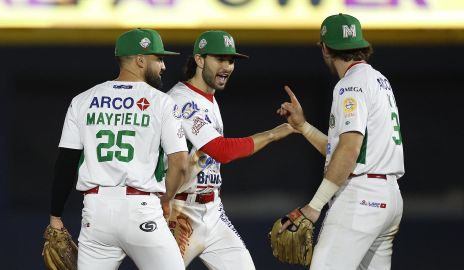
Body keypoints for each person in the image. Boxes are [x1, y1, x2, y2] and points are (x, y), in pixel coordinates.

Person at [47, 28, 188, 270]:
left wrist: (55, 217)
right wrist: (166, 200)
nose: (163, 66)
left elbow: (66, 163)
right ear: (140, 60)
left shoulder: (82, 100)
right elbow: (181, 164)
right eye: (159, 59)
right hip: (141, 209)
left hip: (96, 213)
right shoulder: (162, 102)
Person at [277, 13, 405, 270]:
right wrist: (303, 127)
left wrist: (314, 206)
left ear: (325, 48)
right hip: (389, 198)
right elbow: (344, 152)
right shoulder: (379, 80)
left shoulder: (350, 85)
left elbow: (349, 151)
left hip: (361, 197)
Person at [164, 30, 295, 270]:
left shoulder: (208, 98)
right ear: (200, 59)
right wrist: (273, 134)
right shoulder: (181, 100)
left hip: (212, 211)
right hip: (179, 211)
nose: (227, 66)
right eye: (220, 59)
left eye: (231, 60)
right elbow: (221, 150)